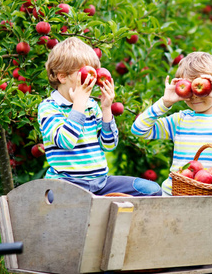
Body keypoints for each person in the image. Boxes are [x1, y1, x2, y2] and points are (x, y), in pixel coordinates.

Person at [38, 37, 161, 196]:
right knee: (58, 205)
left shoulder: (92, 106)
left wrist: (106, 109)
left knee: (151, 190)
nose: (92, 79)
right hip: (66, 185)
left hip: (101, 183)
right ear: (62, 77)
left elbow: (108, 145)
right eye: (83, 72)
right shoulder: (49, 107)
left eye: (93, 73)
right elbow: (66, 141)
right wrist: (79, 105)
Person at [131, 52, 212, 196]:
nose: (195, 95)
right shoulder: (179, 120)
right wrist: (164, 103)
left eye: (202, 87)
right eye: (189, 89)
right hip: (174, 195)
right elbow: (139, 130)